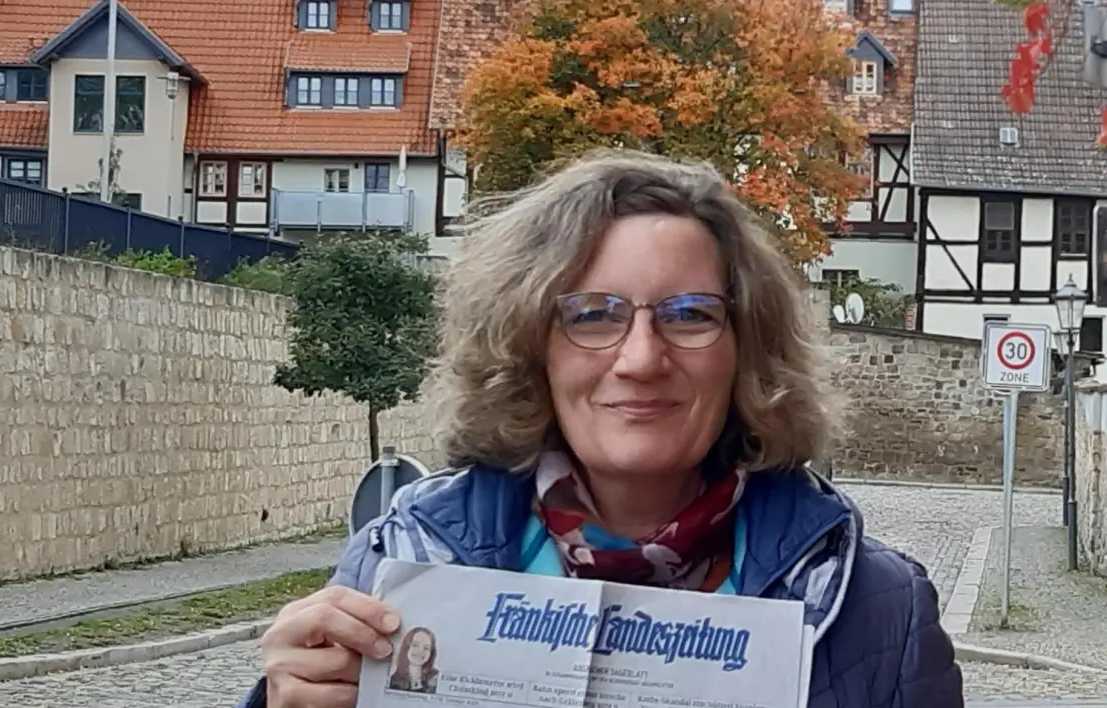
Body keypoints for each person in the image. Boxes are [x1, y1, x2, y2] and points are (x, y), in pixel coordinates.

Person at [241, 151, 963, 708]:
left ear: (746, 349)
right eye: (592, 315)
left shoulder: (879, 608)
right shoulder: (397, 567)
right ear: (531, 347)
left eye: (690, 315)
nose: (641, 359)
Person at [386, 627, 438, 694]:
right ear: (407, 647)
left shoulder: (436, 679)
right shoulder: (393, 681)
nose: (420, 651)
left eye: (426, 648)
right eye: (415, 645)